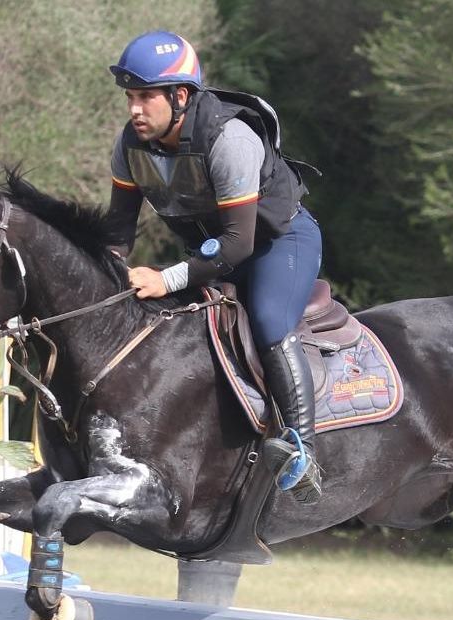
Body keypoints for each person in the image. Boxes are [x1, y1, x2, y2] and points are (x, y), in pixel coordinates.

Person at [102, 30, 324, 503]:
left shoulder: (230, 138)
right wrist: (107, 277)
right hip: (212, 252)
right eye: (130, 97)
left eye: (145, 97)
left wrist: (164, 277)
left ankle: (301, 451)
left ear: (180, 96)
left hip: (275, 243)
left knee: (266, 320)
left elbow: (237, 244)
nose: (134, 110)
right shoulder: (130, 146)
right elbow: (118, 235)